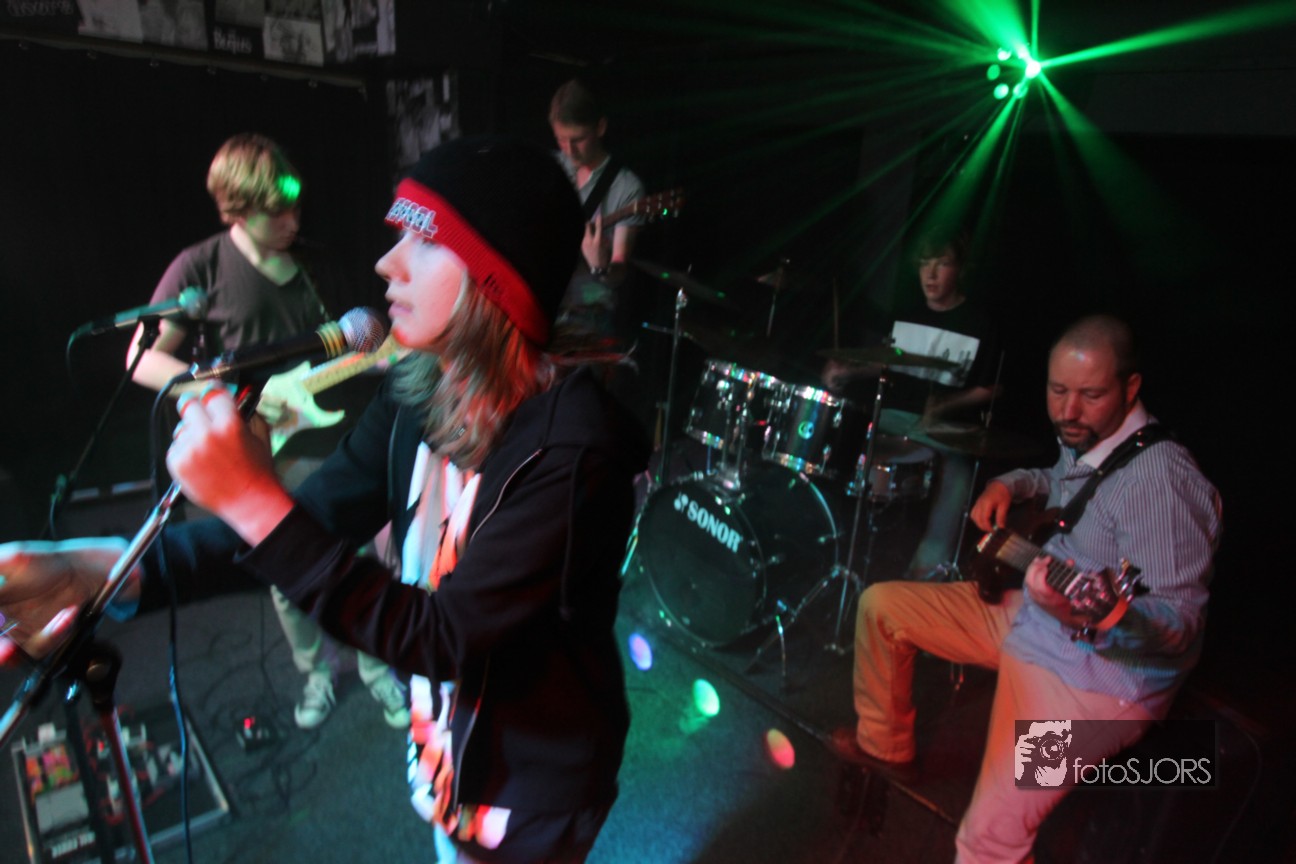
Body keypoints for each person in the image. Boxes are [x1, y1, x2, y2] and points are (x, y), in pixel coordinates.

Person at [1, 136, 647, 864]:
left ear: (497, 281)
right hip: (451, 745)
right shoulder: (421, 393)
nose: (386, 263)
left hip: (530, 780)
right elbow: (313, 523)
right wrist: (108, 570)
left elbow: (445, 639)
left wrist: (253, 500)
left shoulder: (574, 449)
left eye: (424, 240)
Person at [828, 314, 1222, 862]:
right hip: (1035, 620)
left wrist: (1105, 615)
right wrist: (1007, 484)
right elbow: (1060, 479)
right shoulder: (1096, 436)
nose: (1068, 411)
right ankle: (886, 746)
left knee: (988, 840)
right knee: (882, 607)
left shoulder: (1164, 486)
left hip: (1099, 683)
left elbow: (1178, 626)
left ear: (1130, 387)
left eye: (1090, 395)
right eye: (1057, 391)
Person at [124, 132, 408, 731]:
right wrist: (215, 395)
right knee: (285, 567)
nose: (292, 221)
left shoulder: (313, 263)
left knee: (353, 553)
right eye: (275, 212)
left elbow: (352, 344)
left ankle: (378, 667)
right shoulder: (199, 268)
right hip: (264, 447)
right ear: (237, 209)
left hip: (333, 435)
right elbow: (141, 359)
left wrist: (382, 360)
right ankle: (317, 672)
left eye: (295, 207)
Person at [824, 227, 1001, 578]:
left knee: (958, 474)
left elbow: (991, 389)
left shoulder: (979, 323)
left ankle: (924, 576)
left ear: (959, 269)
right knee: (842, 440)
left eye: (942, 264)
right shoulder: (906, 315)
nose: (930, 274)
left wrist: (946, 405)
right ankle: (836, 547)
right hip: (895, 416)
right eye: (924, 263)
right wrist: (848, 370)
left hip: (945, 426)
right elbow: (887, 361)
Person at [549, 77, 645, 339]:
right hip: (545, 301)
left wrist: (601, 266)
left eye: (578, 139)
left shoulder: (626, 187)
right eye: (561, 139)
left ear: (600, 127)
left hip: (588, 315)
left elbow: (619, 270)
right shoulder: (550, 168)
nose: (569, 150)